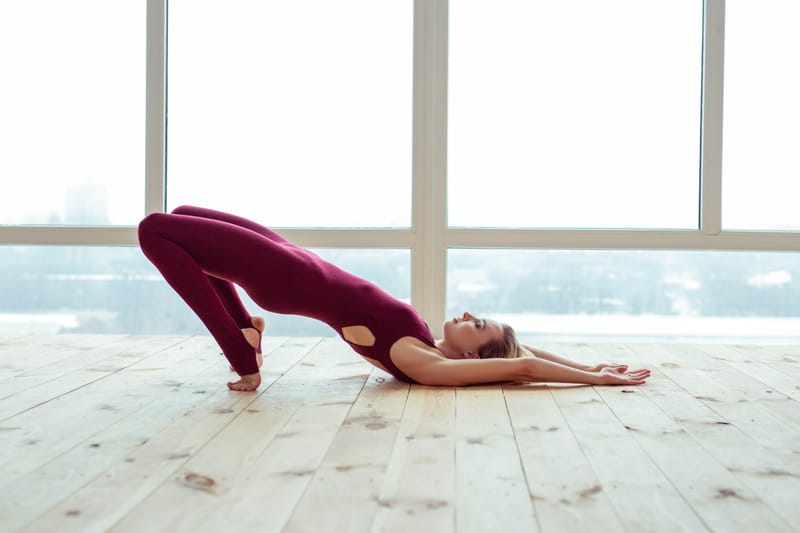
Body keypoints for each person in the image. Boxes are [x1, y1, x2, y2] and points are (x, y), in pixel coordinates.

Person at [138, 206, 650, 391]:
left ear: (470, 356)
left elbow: (519, 370)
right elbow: (524, 354)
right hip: (299, 261)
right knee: (184, 215)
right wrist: (589, 363)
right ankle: (245, 328)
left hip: (288, 276)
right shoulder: (427, 343)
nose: (467, 315)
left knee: (155, 230)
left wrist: (595, 382)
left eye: (476, 326)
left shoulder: (422, 363)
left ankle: (240, 353)